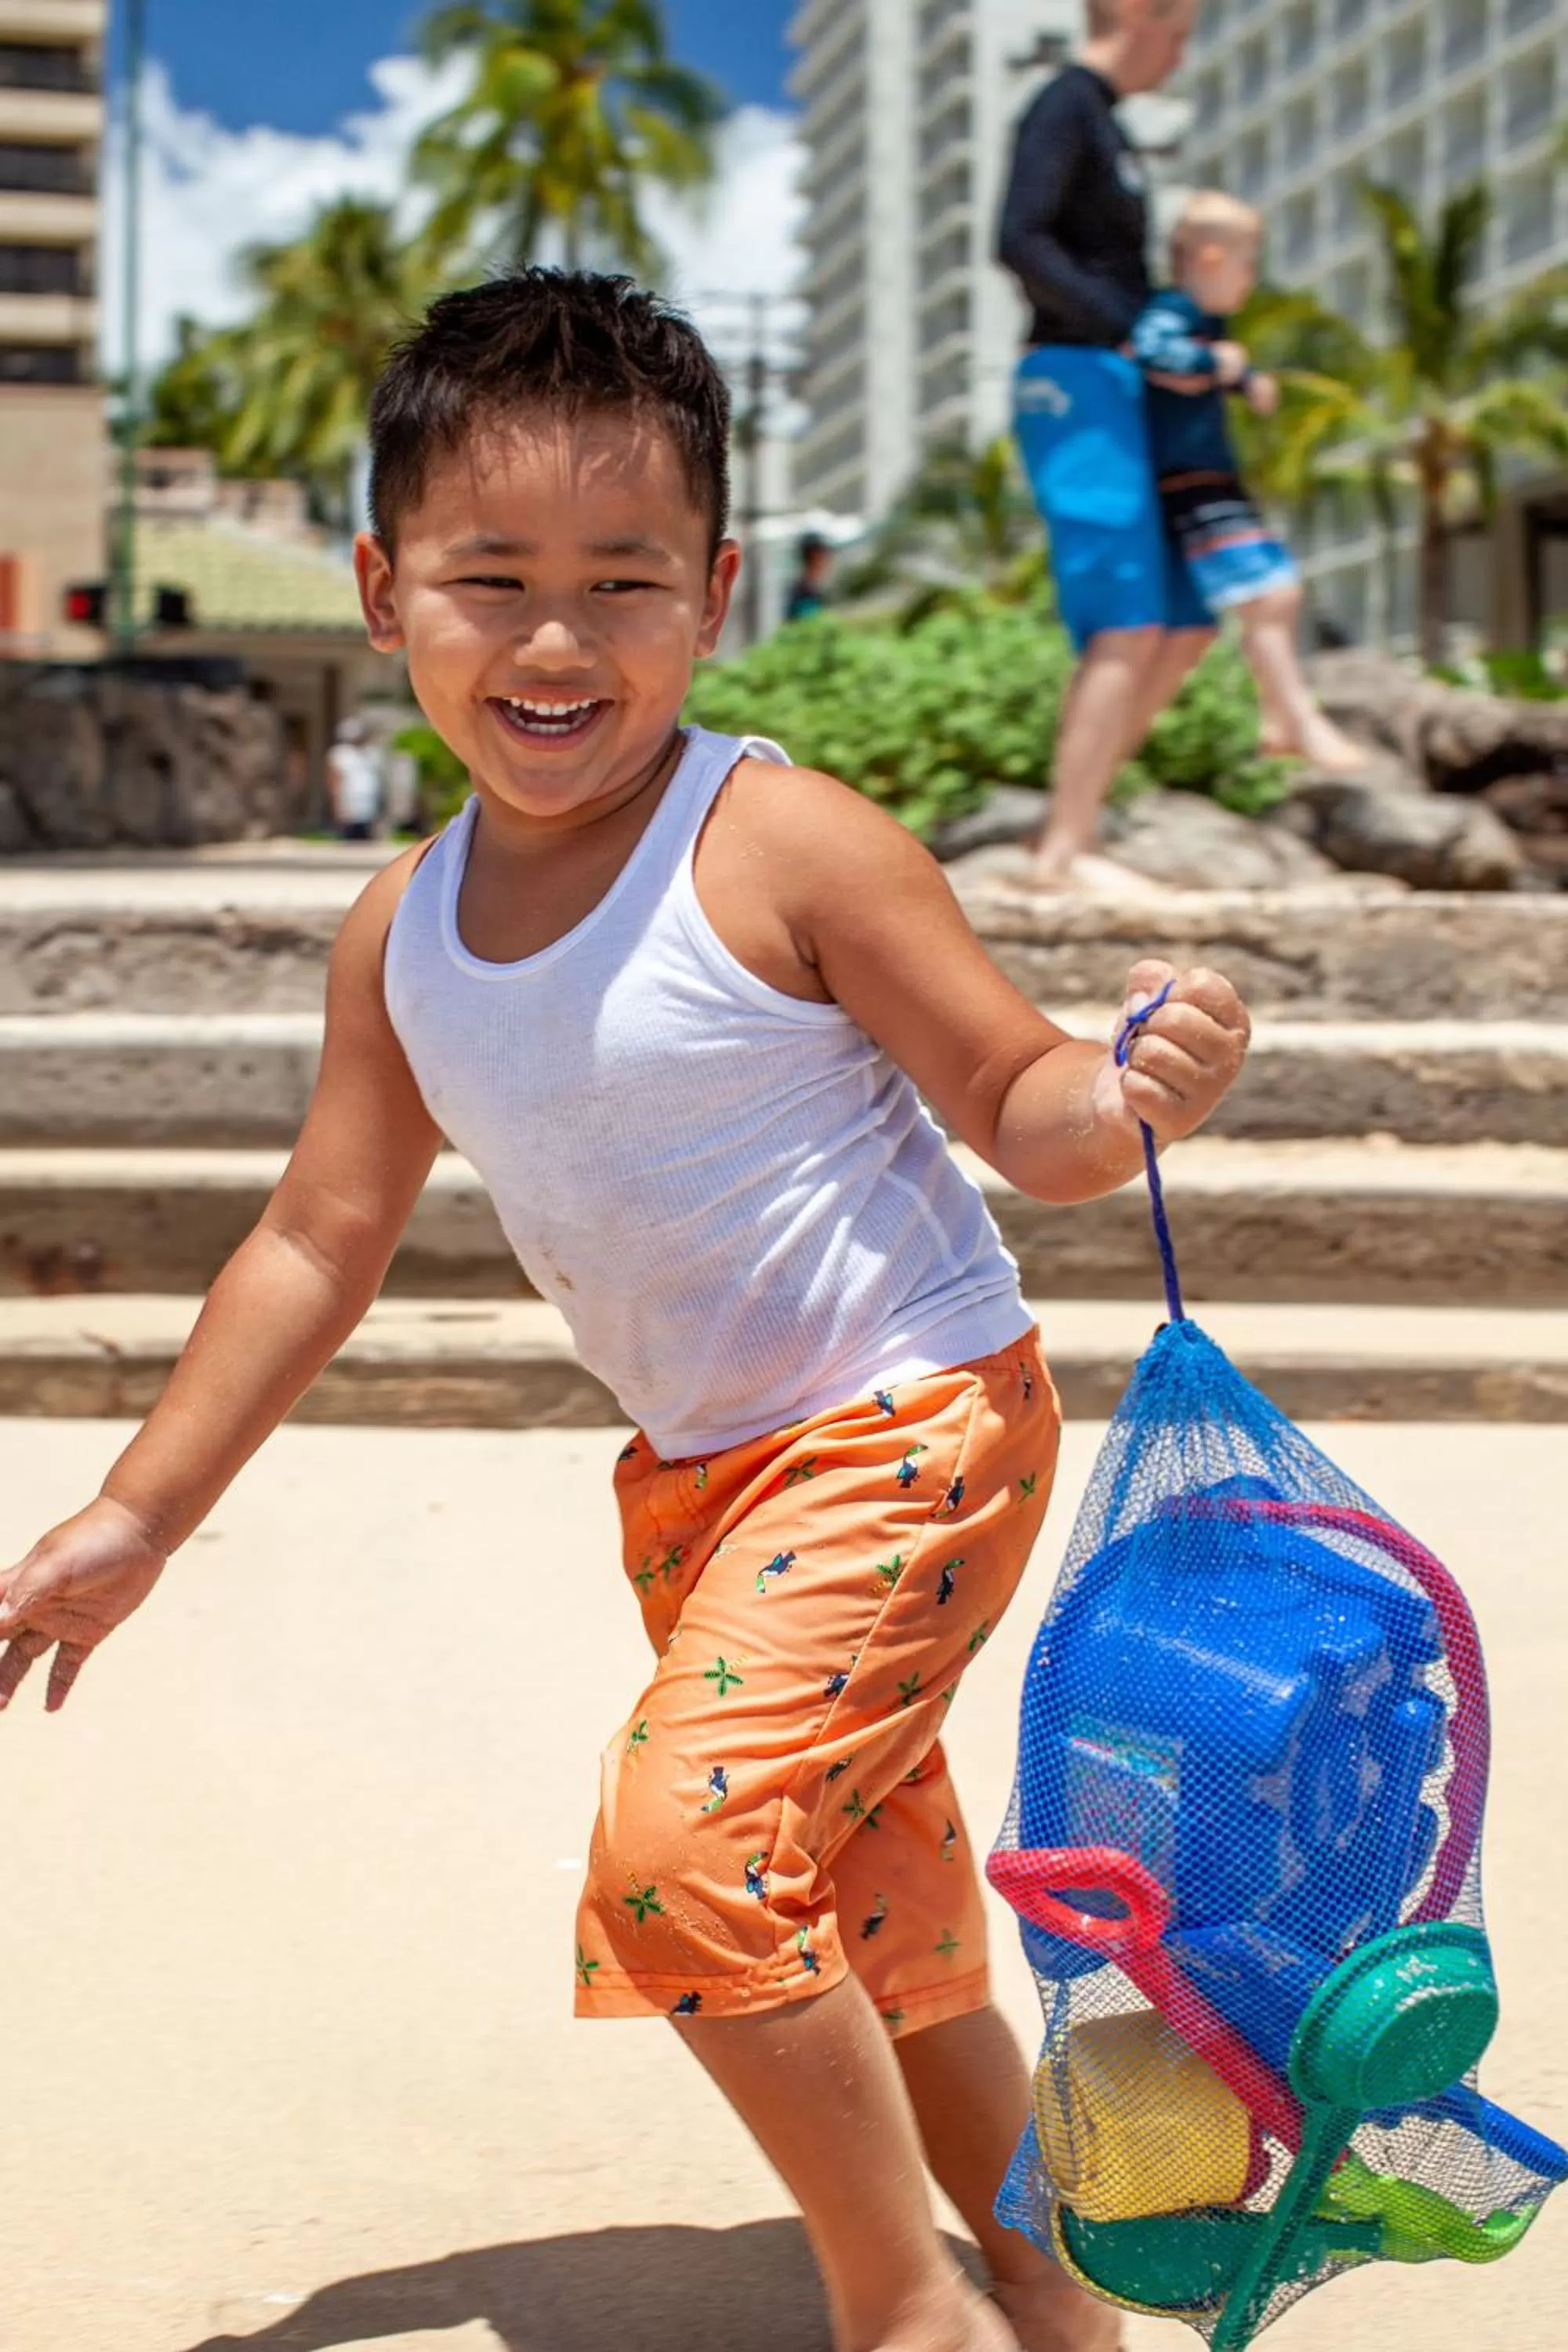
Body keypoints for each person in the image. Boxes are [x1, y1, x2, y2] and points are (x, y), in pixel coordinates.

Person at [0, 271, 1250, 2352]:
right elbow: (317, 1240)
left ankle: (898, 2312)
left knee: (683, 1854)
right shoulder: (401, 934)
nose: (556, 640)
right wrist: (138, 1515)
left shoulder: (783, 845)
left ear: (719, 590)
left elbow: (1013, 1094)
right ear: (385, 586)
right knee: (878, 1914)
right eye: (491, 578)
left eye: (625, 580)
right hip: (703, 1493)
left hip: (908, 1423)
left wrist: (1116, 1089)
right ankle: (1041, 2277)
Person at [997, 0, 1210, 894]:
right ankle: (1064, 849)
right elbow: (1017, 239)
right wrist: (1128, 330)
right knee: (1126, 620)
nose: (1182, 48)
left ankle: (1074, 823)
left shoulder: (1108, 123)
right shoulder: (1062, 103)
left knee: (1185, 621)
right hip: (1073, 380)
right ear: (1133, 11)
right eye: (1179, 26)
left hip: (1118, 382)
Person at [1131, 192, 1368, 771]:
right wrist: (1221, 367)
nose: (1252, 279)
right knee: (1270, 593)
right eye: (1248, 262)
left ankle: (1282, 716)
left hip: (1207, 482)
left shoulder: (1206, 326)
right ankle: (1294, 719)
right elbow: (1153, 351)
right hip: (1192, 484)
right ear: (1210, 258)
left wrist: (1245, 378)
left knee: (1266, 599)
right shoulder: (1174, 315)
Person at [326, 715, 383, 842]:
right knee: (349, 838)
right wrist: (336, 803)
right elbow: (335, 780)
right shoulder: (340, 754)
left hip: (369, 803)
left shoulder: (371, 752)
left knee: (366, 839)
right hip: (349, 803)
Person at [786, 529, 834, 622]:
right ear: (815, 556)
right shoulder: (803, 593)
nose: (828, 560)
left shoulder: (813, 588)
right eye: (824, 554)